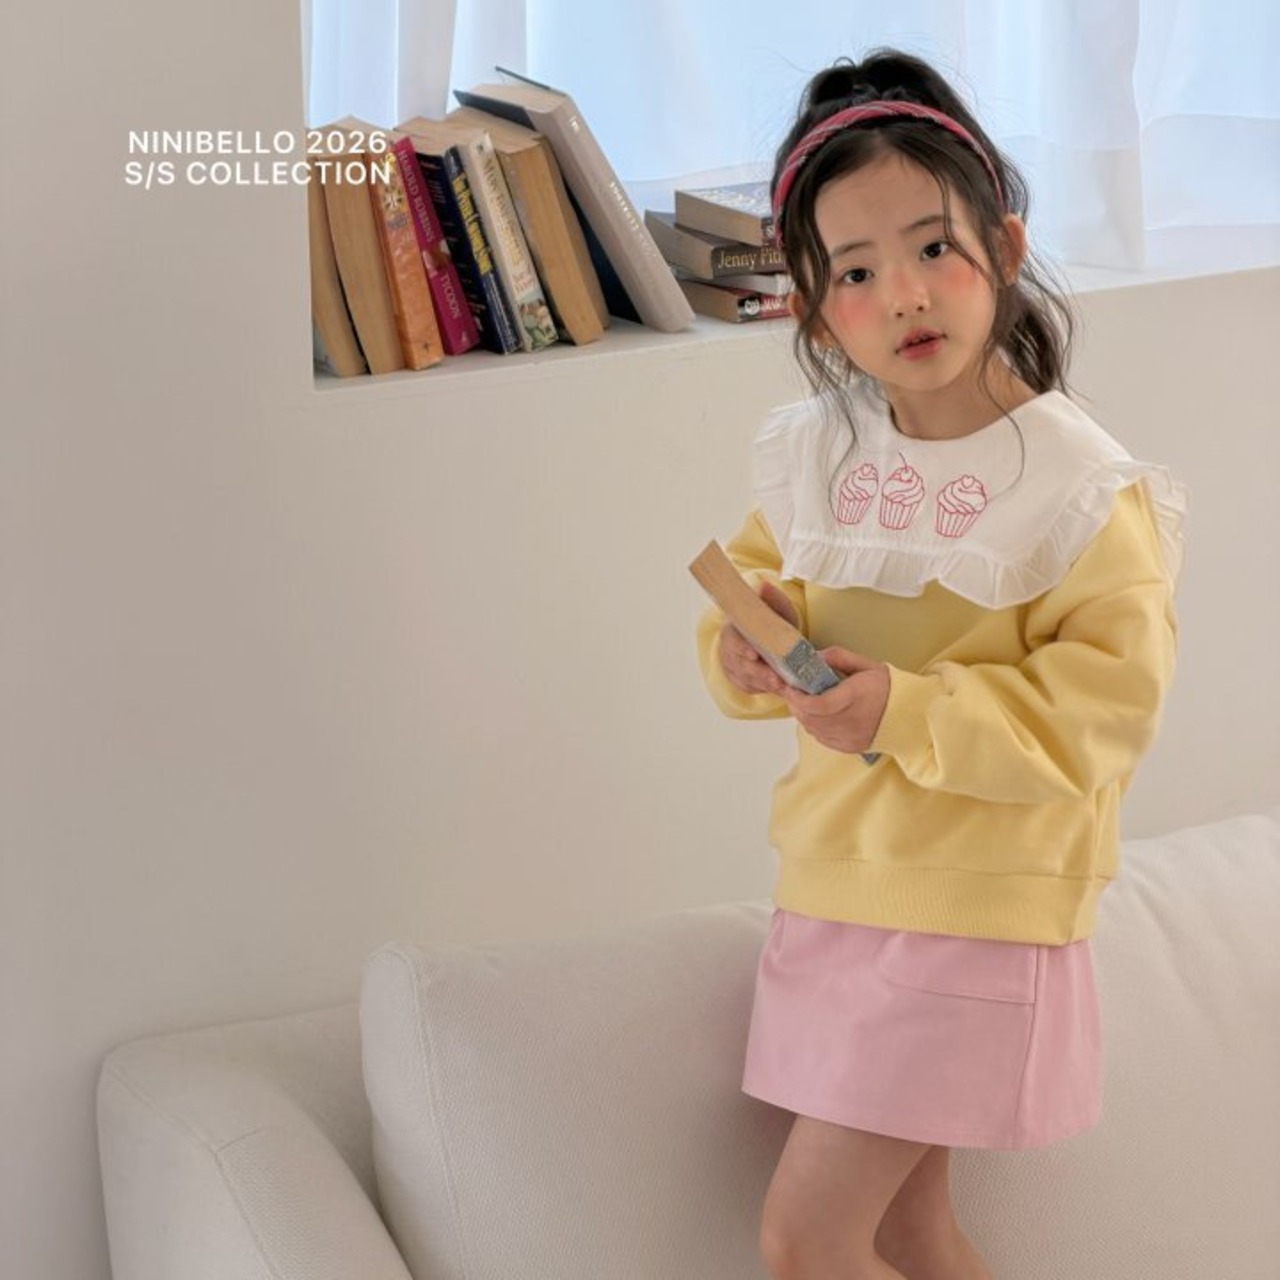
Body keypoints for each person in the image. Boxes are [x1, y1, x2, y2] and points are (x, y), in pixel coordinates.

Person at [695, 48, 1185, 1280]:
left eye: (932, 248)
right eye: (855, 271)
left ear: (1003, 251)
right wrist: (743, 649)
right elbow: (759, 588)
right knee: (907, 1231)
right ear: (814, 307)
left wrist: (902, 711)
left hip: (973, 912)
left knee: (806, 1240)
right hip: (833, 891)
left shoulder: (1077, 486)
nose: (903, 294)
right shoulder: (819, 455)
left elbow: (1103, 711)